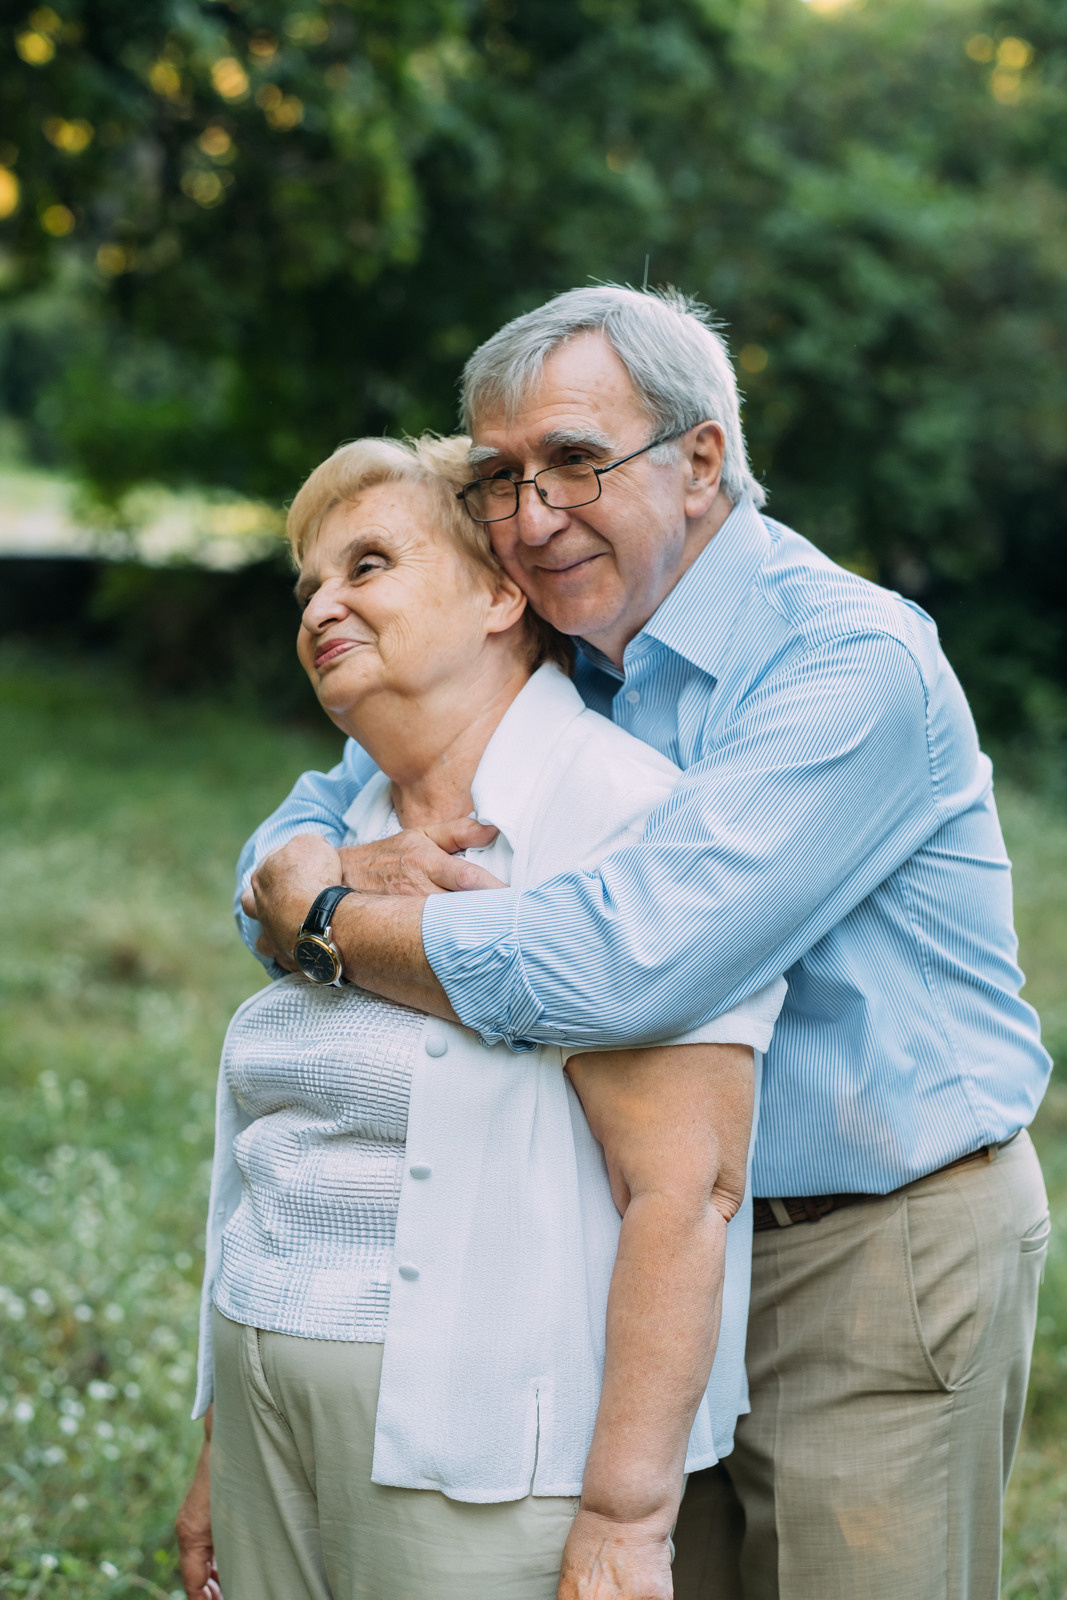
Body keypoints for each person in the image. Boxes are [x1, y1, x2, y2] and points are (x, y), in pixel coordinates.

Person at [239, 285, 1052, 1600]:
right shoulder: (564, 636)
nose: (529, 516)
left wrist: (331, 923)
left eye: (574, 461)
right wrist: (295, 882)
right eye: (499, 476)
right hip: (638, 1251)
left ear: (699, 459)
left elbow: (625, 965)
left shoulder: (847, 663)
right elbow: (298, 835)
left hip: (868, 1239)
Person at [176, 432, 786, 1600]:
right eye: (309, 587)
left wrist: (621, 1518)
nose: (321, 606)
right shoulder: (332, 837)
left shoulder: (621, 819)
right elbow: (276, 1165)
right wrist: (222, 1441)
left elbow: (681, 1194)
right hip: (265, 1418)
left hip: (477, 1459)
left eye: (366, 565)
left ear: (503, 595)